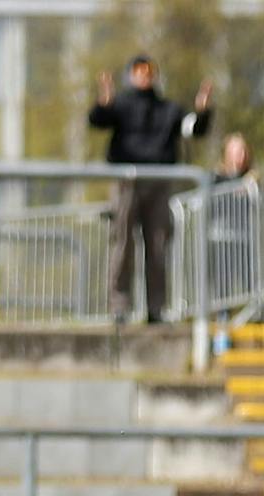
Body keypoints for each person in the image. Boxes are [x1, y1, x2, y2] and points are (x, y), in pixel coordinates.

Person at [88, 56, 213, 325]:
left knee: (157, 246)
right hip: (126, 182)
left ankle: (156, 308)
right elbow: (98, 120)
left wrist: (202, 111)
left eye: (149, 72)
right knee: (122, 243)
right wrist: (104, 100)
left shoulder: (168, 109)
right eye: (139, 72)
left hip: (159, 182)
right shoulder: (120, 105)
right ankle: (119, 306)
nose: (144, 76)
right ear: (131, 75)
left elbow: (192, 128)